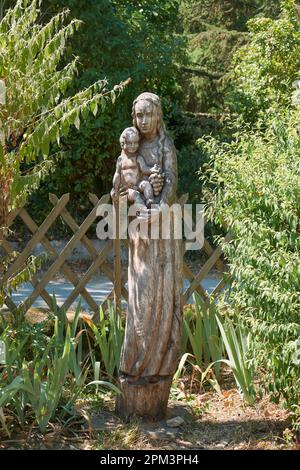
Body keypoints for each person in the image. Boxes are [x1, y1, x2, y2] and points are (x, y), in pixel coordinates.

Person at [116, 92, 182, 420]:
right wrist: (132, 193)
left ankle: (156, 363)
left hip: (163, 232)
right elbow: (120, 186)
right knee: (141, 295)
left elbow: (171, 180)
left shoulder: (165, 146)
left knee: (160, 292)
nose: (142, 122)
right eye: (138, 116)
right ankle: (135, 362)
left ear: (157, 116)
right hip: (141, 232)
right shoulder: (130, 146)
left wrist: (161, 202)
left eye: (148, 116)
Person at [111, 127, 155, 208]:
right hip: (126, 189)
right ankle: (142, 210)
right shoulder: (121, 160)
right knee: (136, 195)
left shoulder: (138, 158)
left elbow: (144, 168)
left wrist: (152, 170)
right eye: (130, 143)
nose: (133, 146)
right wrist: (115, 188)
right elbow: (117, 174)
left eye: (135, 143)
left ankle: (150, 201)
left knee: (146, 184)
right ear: (123, 143)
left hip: (137, 185)